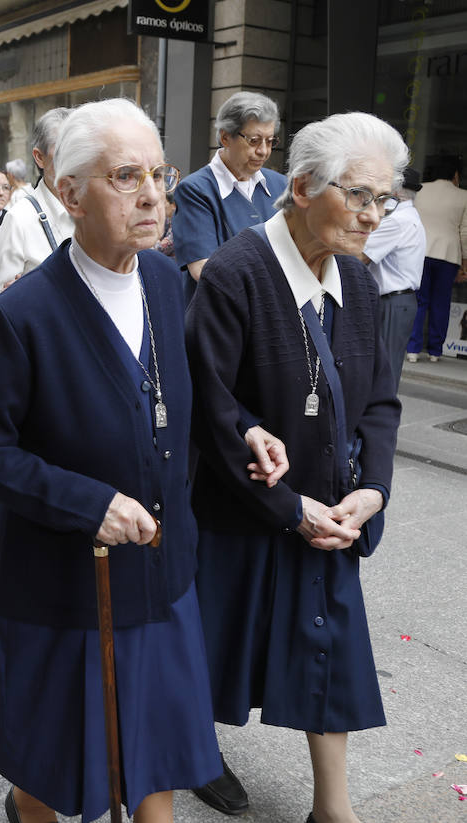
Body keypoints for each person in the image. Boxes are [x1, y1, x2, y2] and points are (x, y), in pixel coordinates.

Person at [0, 98, 282, 823]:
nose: (154, 195)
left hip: (162, 572)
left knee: (154, 758)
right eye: (126, 176)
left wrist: (246, 426)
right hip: (64, 588)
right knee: (54, 769)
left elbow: (195, 388)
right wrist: (85, 501)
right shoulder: (22, 315)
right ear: (70, 193)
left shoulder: (167, 284)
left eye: (158, 174)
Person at [185, 111, 404, 823]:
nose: (375, 216)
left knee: (331, 654)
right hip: (248, 513)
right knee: (214, 658)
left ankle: (332, 810)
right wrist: (290, 508)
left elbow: (380, 404)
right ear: (304, 188)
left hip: (334, 512)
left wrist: (370, 491)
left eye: (385, 199)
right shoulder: (236, 273)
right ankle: (194, 752)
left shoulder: (362, 284)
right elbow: (212, 412)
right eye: (361, 195)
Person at [172, 91, 286, 300]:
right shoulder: (196, 190)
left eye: (270, 141)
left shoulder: (281, 185)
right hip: (219, 319)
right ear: (225, 137)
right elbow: (203, 269)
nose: (264, 151)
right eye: (254, 140)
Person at [0, 108, 73, 294]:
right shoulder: (19, 219)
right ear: (39, 157)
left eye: (79, 150)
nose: (72, 161)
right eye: (62, 152)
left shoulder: (95, 212)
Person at [361, 167, 426, 389]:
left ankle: (380, 421)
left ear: (396, 193)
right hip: (399, 301)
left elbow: (361, 256)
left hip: (392, 302)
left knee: (382, 369)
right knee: (386, 366)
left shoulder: (397, 221)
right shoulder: (410, 216)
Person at [406, 155, 467, 363]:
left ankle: (413, 350)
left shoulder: (420, 190)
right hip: (448, 255)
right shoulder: (463, 196)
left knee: (419, 300)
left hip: (421, 251)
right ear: (455, 174)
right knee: (441, 303)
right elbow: (465, 233)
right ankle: (434, 351)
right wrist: (465, 264)